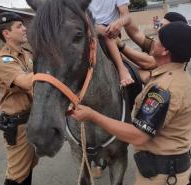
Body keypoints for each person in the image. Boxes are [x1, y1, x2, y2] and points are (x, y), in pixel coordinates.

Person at [71, 22, 191, 185]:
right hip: (168, 171)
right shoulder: (177, 76)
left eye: (158, 39)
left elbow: (138, 136)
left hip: (160, 178)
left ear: (165, 50)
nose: (153, 41)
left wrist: (92, 115)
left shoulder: (163, 89)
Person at [0, 12, 38, 185]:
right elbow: (27, 82)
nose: (25, 28)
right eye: (19, 26)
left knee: (28, 167)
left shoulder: (26, 54)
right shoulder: (4, 60)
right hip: (18, 125)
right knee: (17, 175)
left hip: (31, 120)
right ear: (7, 34)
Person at [117, 12, 188, 83]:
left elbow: (149, 63)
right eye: (160, 25)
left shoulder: (176, 51)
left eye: (164, 27)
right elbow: (136, 33)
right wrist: (125, 17)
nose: (159, 29)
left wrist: (120, 48)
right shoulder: (160, 43)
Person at [88, 0, 134, 86]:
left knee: (107, 33)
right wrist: (94, 27)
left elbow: (127, 16)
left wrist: (119, 22)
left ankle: (121, 68)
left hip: (110, 31)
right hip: (89, 28)